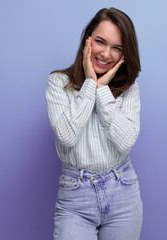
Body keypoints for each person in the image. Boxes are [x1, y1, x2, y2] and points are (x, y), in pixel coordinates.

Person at [46, 7, 142, 240]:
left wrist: (103, 93)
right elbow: (66, 136)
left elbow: (126, 141)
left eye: (117, 48)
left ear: (124, 55)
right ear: (87, 40)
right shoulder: (58, 82)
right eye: (101, 41)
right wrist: (91, 84)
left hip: (123, 194)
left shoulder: (129, 89)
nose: (106, 54)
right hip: (75, 197)